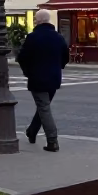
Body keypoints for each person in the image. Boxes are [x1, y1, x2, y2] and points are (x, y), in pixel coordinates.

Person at [17, 9, 69, 152]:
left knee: (44, 108)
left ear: (38, 21)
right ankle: (32, 131)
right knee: (43, 106)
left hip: (37, 77)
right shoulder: (58, 37)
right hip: (54, 78)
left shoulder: (32, 37)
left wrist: (28, 72)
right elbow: (66, 57)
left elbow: (22, 57)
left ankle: (52, 140)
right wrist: (58, 68)